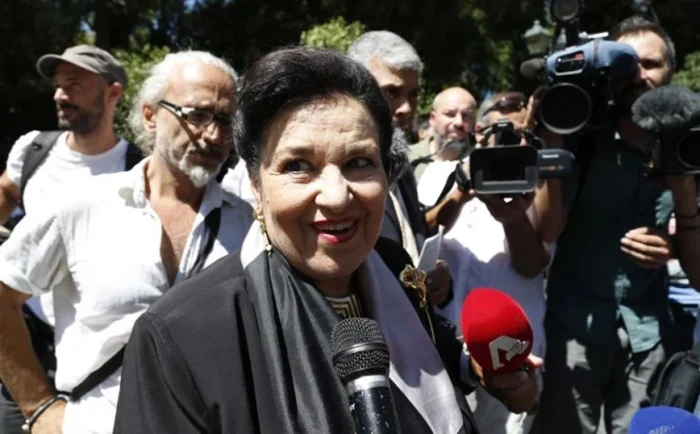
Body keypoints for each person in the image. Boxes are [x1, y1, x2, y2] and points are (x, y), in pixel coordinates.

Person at [113, 46, 542, 434]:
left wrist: (488, 373)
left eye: (359, 162)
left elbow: (432, 366)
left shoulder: (394, 267)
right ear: (256, 186)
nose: (337, 197)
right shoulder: (179, 336)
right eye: (299, 166)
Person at [0, 50, 254, 434]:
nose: (214, 135)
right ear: (150, 116)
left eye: (225, 120)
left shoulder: (248, 224)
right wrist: (38, 407)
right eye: (197, 115)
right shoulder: (80, 205)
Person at [531, 17, 700, 433]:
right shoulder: (582, 138)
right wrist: (552, 138)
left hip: (651, 335)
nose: (639, 75)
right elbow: (547, 232)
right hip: (573, 328)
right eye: (627, 64)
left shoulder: (690, 146)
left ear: (671, 72)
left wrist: (682, 203)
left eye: (651, 64)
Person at [0, 44, 144, 434]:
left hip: (100, 362)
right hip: (26, 343)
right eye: (59, 85)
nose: (60, 95)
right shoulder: (34, 150)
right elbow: (7, 192)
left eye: (75, 85)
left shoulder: (138, 169)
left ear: (113, 93)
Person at [418, 90, 551, 434]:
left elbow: (534, 264)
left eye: (518, 136)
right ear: (480, 134)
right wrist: (461, 191)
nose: (508, 145)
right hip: (445, 346)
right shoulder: (439, 173)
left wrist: (513, 218)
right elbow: (422, 231)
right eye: (500, 135)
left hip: (510, 348)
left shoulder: (536, 179)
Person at [347, 31, 475, 307]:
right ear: (353, 89)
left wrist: (437, 281)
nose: (406, 108)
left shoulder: (402, 168)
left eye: (413, 94)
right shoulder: (337, 175)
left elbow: (411, 242)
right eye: (391, 93)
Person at [411, 87, 477, 180]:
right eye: (450, 114)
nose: (459, 122)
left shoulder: (479, 162)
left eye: (467, 116)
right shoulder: (406, 159)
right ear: (433, 119)